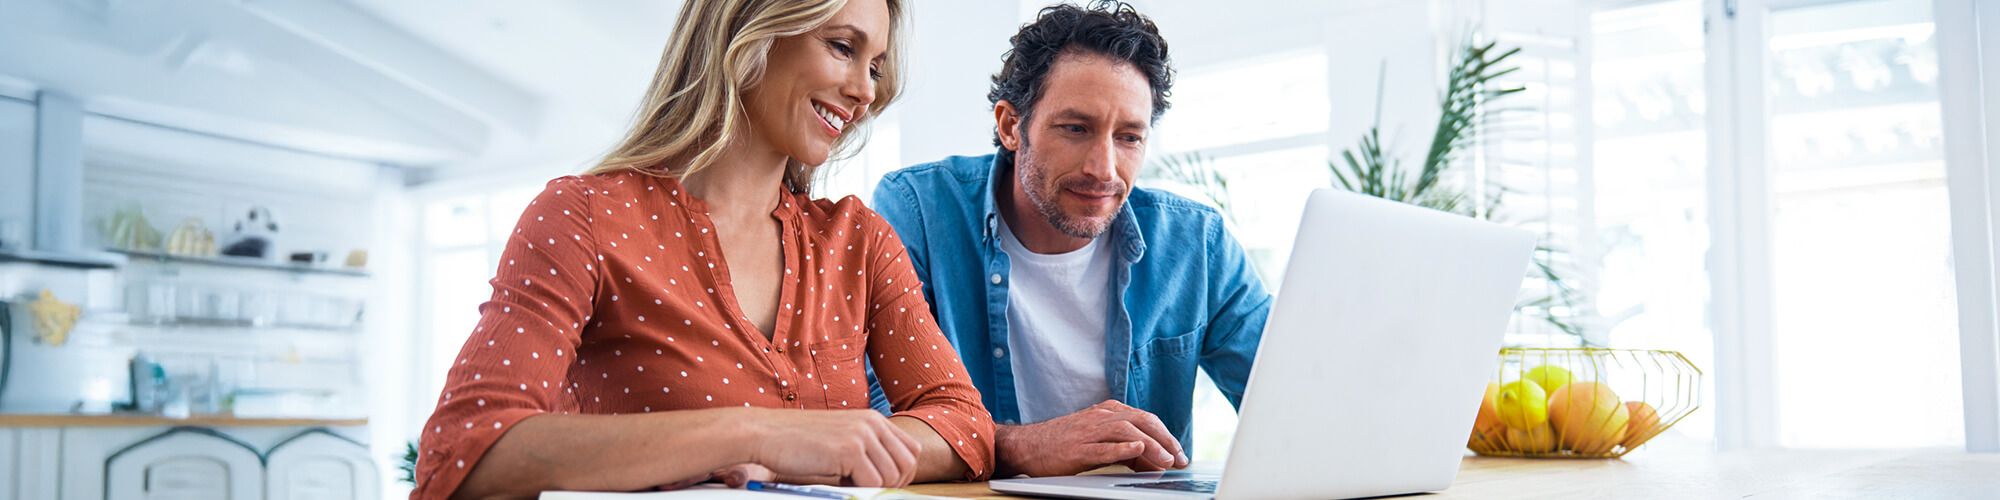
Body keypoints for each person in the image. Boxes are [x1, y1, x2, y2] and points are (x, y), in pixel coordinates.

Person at [412, 1, 995, 498]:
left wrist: (823, 453)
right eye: (843, 47)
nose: (865, 90)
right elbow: (464, 454)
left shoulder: (858, 242)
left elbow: (964, 425)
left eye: (875, 67)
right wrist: (755, 433)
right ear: (750, 32)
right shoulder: (584, 217)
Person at [868, 0, 1272, 478]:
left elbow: (1290, 401)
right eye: (1076, 129)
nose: (1103, 169)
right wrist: (1023, 446)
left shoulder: (1196, 242)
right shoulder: (920, 209)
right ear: (1010, 126)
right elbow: (878, 421)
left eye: (1129, 138)